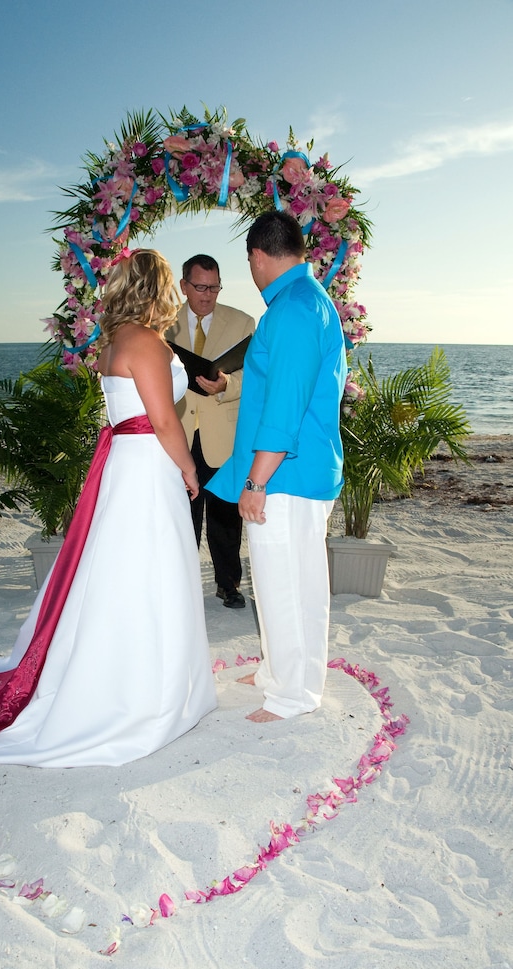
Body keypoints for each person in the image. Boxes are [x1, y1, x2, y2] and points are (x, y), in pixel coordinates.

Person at [0, 249, 217, 767]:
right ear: (157, 289)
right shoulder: (143, 340)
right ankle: (141, 683)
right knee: (148, 567)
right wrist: (189, 470)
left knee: (124, 568)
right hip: (146, 465)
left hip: (129, 462)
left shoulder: (116, 338)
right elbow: (165, 422)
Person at [208, 211, 347, 723]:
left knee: (287, 584)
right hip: (300, 470)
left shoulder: (291, 309)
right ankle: (279, 672)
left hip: (285, 475)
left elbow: (284, 408)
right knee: (284, 581)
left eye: (249, 262)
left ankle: (293, 694)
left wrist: (255, 481)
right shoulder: (307, 300)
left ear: (258, 256)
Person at [166, 255, 256, 609]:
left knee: (225, 516)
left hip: (223, 433)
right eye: (200, 287)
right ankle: (181, 585)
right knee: (180, 514)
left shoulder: (243, 322)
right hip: (179, 432)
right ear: (184, 286)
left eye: (214, 287)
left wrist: (227, 385)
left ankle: (228, 584)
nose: (207, 295)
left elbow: (255, 375)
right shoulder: (162, 323)